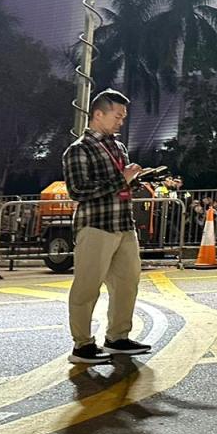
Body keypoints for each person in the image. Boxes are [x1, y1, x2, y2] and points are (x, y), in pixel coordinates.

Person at [63, 89, 152, 365]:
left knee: (128, 283)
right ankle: (82, 345)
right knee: (87, 286)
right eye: (117, 116)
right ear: (98, 114)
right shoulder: (78, 150)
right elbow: (79, 191)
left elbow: (121, 183)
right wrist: (122, 180)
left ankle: (117, 337)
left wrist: (135, 179)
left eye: (123, 117)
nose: (121, 122)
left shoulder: (118, 147)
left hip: (124, 224)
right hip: (96, 226)